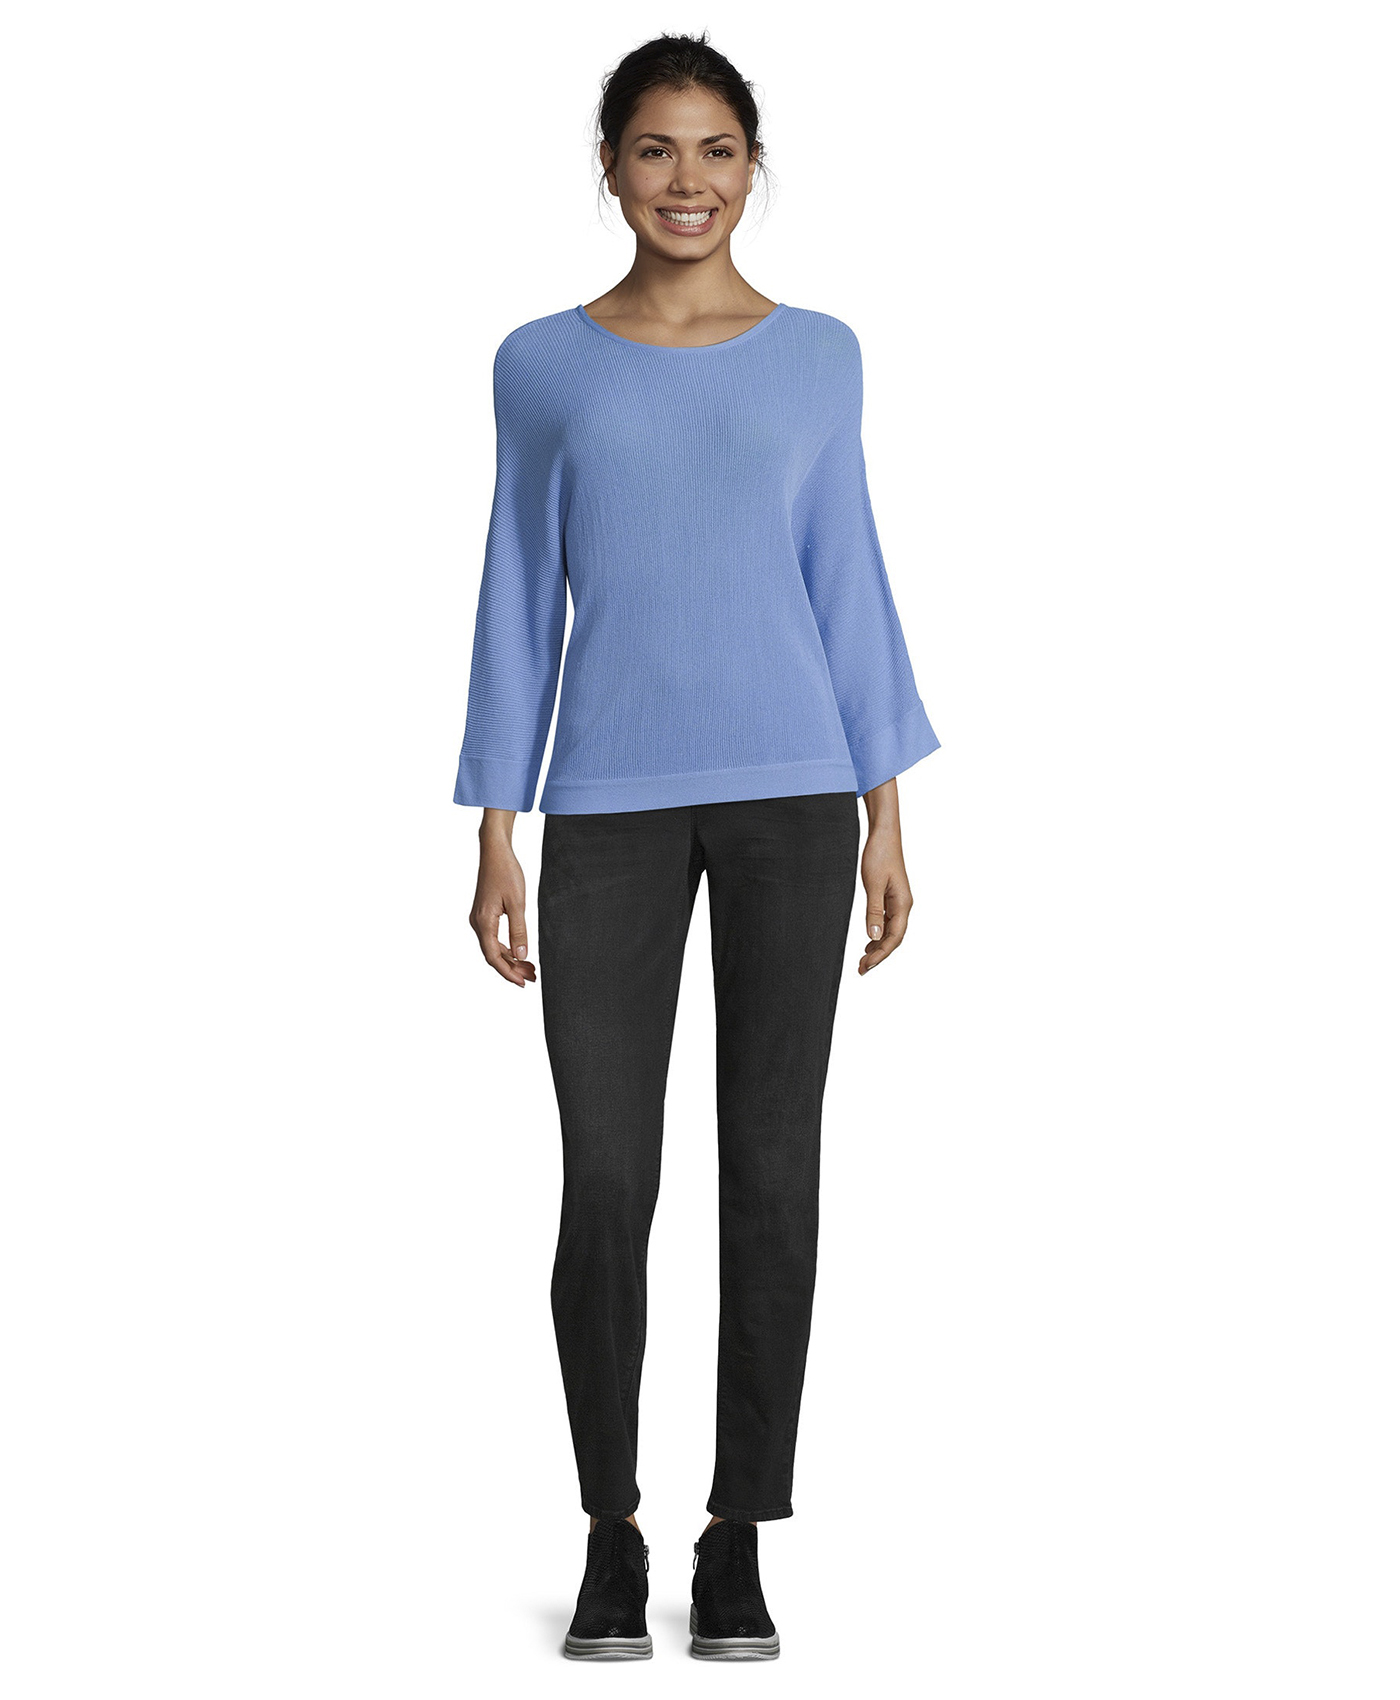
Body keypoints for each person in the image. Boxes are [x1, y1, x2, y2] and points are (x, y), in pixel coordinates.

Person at [453, 32, 941, 1662]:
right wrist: (497, 826)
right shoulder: (542, 365)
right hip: (603, 803)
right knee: (607, 1176)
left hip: (797, 797)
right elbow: (516, 592)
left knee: (773, 1168)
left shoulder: (820, 358)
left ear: (753, 166)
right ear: (610, 167)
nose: (687, 179)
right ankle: (612, 1529)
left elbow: (846, 574)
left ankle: (739, 1534)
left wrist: (885, 805)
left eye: (717, 148)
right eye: (655, 148)